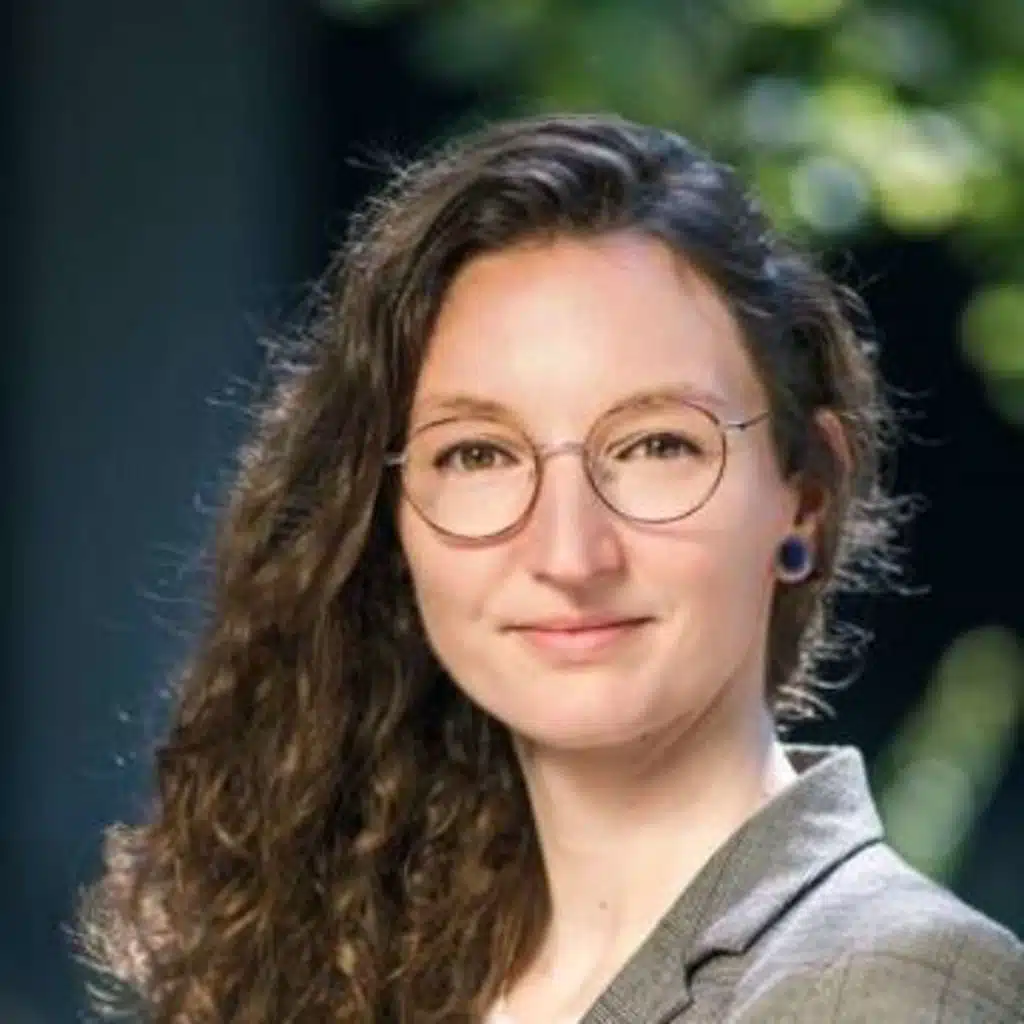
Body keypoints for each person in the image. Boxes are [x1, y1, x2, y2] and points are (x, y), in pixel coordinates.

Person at [79, 112, 1023, 1023]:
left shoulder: (897, 993)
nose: (570, 554)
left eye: (657, 445)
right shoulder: (363, 965)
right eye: (479, 454)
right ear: (388, 521)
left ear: (804, 496)